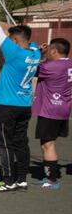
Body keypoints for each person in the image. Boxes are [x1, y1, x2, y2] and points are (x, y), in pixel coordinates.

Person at [0, 0, 43, 191]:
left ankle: (8, 181)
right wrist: (13, 29)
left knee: (4, 143)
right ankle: (22, 179)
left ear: (14, 42)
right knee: (20, 143)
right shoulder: (34, 51)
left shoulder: (14, 52)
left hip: (7, 105)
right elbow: (24, 38)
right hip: (24, 105)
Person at [34, 38, 71, 189]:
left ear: (54, 50)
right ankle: (51, 176)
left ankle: (51, 179)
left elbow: (31, 68)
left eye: (49, 49)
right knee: (50, 144)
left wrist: (39, 53)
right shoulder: (68, 64)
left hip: (50, 110)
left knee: (48, 145)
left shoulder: (51, 66)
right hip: (64, 109)